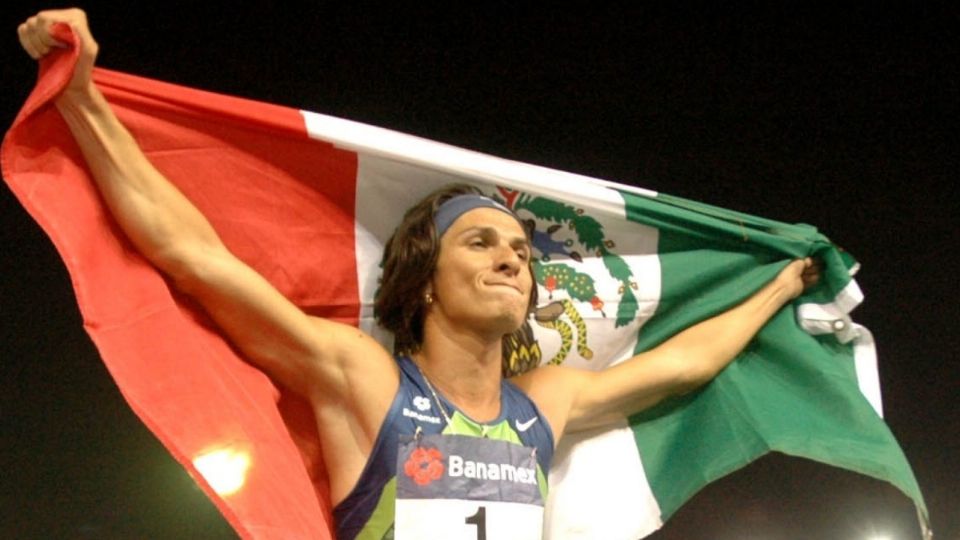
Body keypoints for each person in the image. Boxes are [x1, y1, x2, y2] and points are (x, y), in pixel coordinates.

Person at [18, 8, 819, 540]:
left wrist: (780, 287)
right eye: (480, 243)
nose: (512, 259)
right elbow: (196, 257)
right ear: (427, 283)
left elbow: (685, 365)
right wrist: (83, 101)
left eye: (521, 251)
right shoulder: (363, 379)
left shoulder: (545, 400)